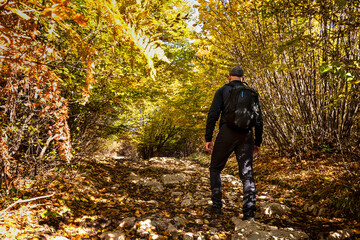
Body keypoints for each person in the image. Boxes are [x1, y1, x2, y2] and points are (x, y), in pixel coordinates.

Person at [205, 66, 263, 220]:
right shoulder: (251, 94)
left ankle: (217, 206)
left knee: (215, 168)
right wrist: (258, 141)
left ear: (229, 77)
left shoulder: (222, 90)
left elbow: (213, 115)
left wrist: (208, 138)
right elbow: (259, 120)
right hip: (246, 135)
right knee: (247, 173)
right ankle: (249, 213)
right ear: (242, 78)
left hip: (227, 133)